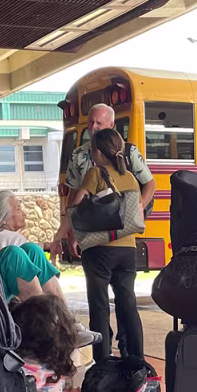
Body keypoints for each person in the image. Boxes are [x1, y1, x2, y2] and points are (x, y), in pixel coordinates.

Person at [70, 129, 145, 362]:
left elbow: (76, 203)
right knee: (128, 304)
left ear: (99, 153)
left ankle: (102, 360)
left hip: (100, 247)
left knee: (99, 305)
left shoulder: (95, 172)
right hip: (127, 249)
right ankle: (136, 358)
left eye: (93, 150)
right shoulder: (131, 176)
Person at [51, 103, 155, 255]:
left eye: (99, 123)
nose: (93, 127)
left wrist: (135, 213)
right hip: (92, 230)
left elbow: (150, 184)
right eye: (91, 122)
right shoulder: (78, 155)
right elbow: (73, 195)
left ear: (111, 125)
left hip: (121, 233)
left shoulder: (128, 152)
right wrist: (72, 232)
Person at [0, 190, 64, 302]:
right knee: (31, 252)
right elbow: (24, 250)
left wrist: (45, 246)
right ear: (3, 218)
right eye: (18, 209)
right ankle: (56, 312)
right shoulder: (13, 243)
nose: (24, 214)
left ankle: (57, 312)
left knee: (33, 250)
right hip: (1, 297)